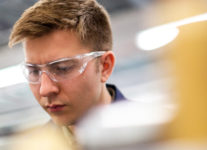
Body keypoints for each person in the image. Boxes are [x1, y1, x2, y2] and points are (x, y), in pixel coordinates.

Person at [8, 0, 126, 144]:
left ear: (104, 66)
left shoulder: (155, 136)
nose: (45, 90)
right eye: (34, 71)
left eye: (63, 68)